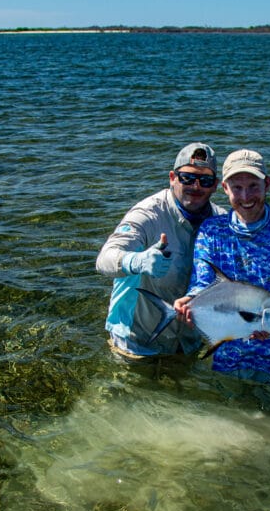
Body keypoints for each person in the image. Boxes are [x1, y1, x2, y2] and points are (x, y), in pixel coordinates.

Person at [175, 149, 270, 394]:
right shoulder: (211, 231)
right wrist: (190, 301)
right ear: (224, 188)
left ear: (267, 184)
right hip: (225, 360)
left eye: (253, 186)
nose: (246, 196)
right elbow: (203, 283)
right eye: (237, 188)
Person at [96, 142, 226, 359]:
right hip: (135, 344)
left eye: (205, 180)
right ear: (172, 178)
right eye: (187, 177)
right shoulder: (148, 214)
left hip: (187, 343)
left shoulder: (221, 221)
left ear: (215, 185)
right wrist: (135, 261)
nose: (196, 186)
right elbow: (104, 260)